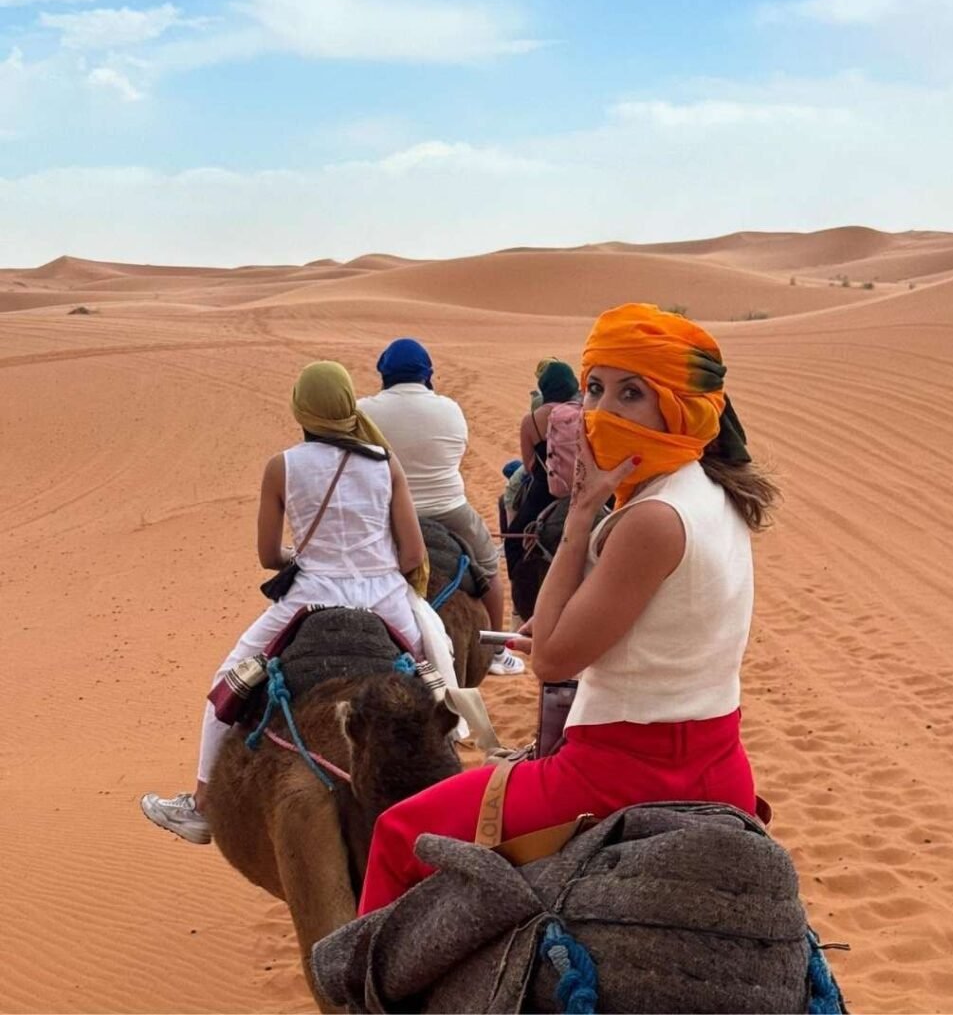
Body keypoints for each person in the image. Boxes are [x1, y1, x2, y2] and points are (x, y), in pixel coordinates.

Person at [354, 302, 779, 914]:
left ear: (679, 408)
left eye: (631, 393)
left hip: (618, 773)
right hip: (721, 765)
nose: (603, 412)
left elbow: (553, 663)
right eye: (595, 389)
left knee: (399, 832)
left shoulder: (652, 517)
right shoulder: (717, 492)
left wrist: (580, 517)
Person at [140, 360, 428, 845]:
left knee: (228, 682)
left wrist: (306, 557)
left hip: (311, 598)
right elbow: (414, 555)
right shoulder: (385, 462)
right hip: (385, 598)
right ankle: (453, 787)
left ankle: (203, 805)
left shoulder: (283, 466)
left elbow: (268, 555)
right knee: (438, 683)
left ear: (301, 410)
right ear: (347, 405)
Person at [359, 338, 524, 677]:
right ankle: (495, 651)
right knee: (489, 569)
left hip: (386, 515)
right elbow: (457, 452)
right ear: (426, 373)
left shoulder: (364, 411)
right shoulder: (450, 409)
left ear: (384, 373)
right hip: (449, 509)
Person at [503, 360, 580, 578]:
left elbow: (529, 465)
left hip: (545, 491)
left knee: (514, 539)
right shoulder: (585, 412)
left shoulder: (531, 421)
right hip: (585, 488)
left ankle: (517, 588)